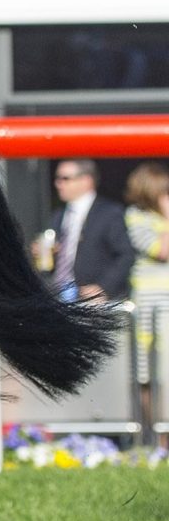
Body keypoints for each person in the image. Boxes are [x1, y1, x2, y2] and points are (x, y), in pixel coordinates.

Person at [48, 159, 131, 303]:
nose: (58, 184)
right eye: (57, 178)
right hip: (60, 298)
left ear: (86, 180)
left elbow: (125, 255)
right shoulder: (59, 215)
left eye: (65, 178)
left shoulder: (109, 212)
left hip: (94, 301)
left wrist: (103, 287)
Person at [121, 162, 169, 396]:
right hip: (150, 302)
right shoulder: (136, 217)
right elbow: (161, 250)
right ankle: (153, 431)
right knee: (147, 373)